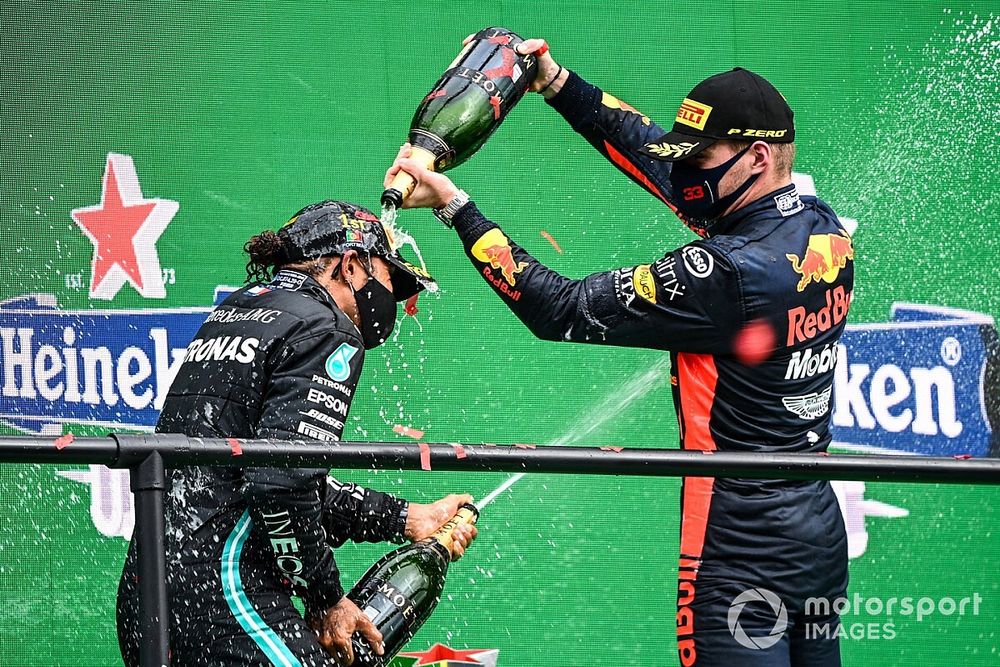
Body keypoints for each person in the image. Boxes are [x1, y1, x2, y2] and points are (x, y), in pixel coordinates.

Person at [386, 39, 852, 667]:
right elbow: (655, 154)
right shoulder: (816, 224)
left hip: (734, 547)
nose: (687, 173)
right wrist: (555, 83)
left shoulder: (728, 272)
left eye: (702, 159)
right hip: (816, 532)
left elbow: (559, 309)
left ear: (756, 158)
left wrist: (455, 208)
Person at [116, 200, 478, 667]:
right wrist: (328, 599)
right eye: (388, 278)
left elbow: (266, 472)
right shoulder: (325, 328)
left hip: (148, 594)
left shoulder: (241, 308)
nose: (392, 297)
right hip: (225, 590)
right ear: (350, 264)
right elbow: (281, 483)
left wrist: (406, 519)